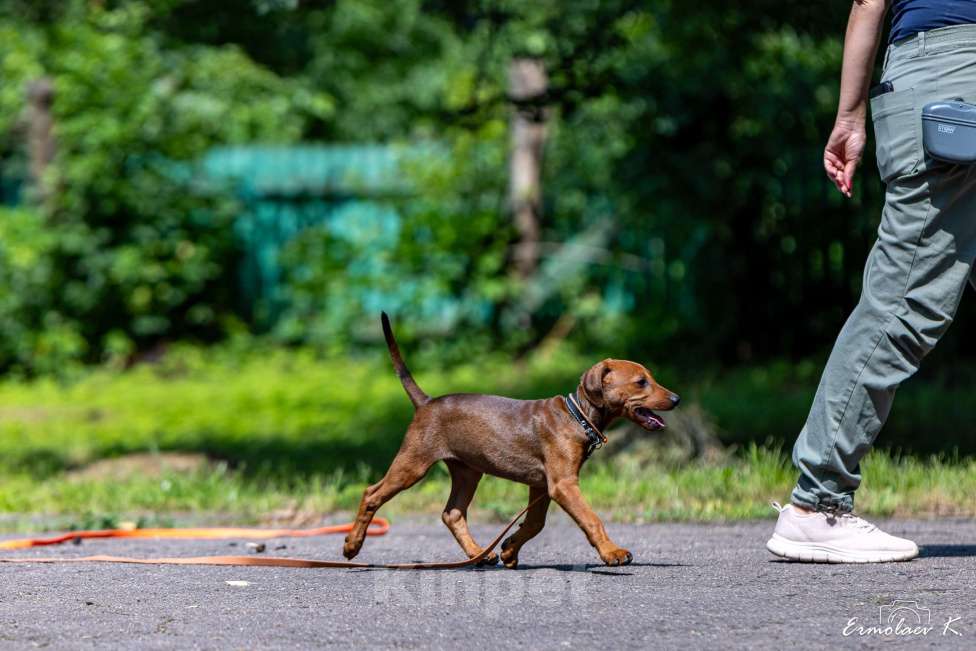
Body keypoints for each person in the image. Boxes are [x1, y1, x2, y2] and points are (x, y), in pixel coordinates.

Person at [767, 0, 976, 563]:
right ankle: (815, 504)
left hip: (938, 71)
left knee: (902, 302)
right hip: (957, 76)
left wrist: (851, 113)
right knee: (902, 303)